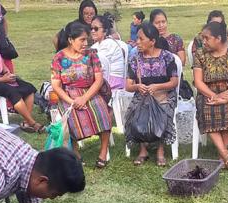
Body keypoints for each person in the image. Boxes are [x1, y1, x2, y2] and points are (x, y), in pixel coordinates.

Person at [51, 24, 113, 168]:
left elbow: (98, 80)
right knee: (70, 116)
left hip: (90, 91)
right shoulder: (58, 58)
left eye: (87, 40)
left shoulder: (91, 54)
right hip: (68, 95)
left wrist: (84, 98)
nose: (86, 43)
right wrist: (72, 101)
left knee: (102, 112)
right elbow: (56, 85)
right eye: (82, 40)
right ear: (70, 40)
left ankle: (103, 152)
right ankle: (75, 153)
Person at [193, 21, 228, 169]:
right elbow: (198, 82)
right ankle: (224, 154)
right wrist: (214, 96)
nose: (203, 41)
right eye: (203, 38)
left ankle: (221, 156)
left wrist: (226, 96)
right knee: (206, 108)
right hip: (207, 91)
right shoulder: (200, 54)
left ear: (218, 38)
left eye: (207, 38)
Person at [125, 23, 179, 167]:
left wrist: (157, 87)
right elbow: (128, 86)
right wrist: (137, 86)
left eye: (141, 39)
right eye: (137, 38)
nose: (137, 42)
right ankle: (143, 150)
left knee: (163, 110)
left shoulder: (167, 57)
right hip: (143, 95)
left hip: (164, 94)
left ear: (152, 41)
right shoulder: (135, 59)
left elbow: (174, 82)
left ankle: (160, 151)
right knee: (136, 110)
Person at [90, 15, 126, 89]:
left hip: (113, 85)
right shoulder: (95, 45)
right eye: (91, 28)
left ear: (105, 31)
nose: (93, 31)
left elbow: (99, 67)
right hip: (103, 81)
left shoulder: (109, 44)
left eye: (96, 29)